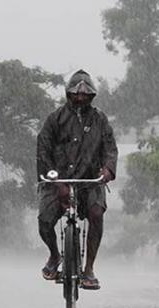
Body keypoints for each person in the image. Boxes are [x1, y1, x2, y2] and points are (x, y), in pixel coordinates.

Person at [37, 69, 118, 290]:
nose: (80, 97)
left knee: (96, 214)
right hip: (57, 181)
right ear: (68, 93)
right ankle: (55, 256)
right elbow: (43, 150)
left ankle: (89, 269)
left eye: (85, 94)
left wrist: (108, 170)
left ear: (92, 96)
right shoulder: (55, 119)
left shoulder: (100, 119)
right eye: (75, 93)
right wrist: (57, 181)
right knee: (44, 221)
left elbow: (110, 148)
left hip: (89, 181)